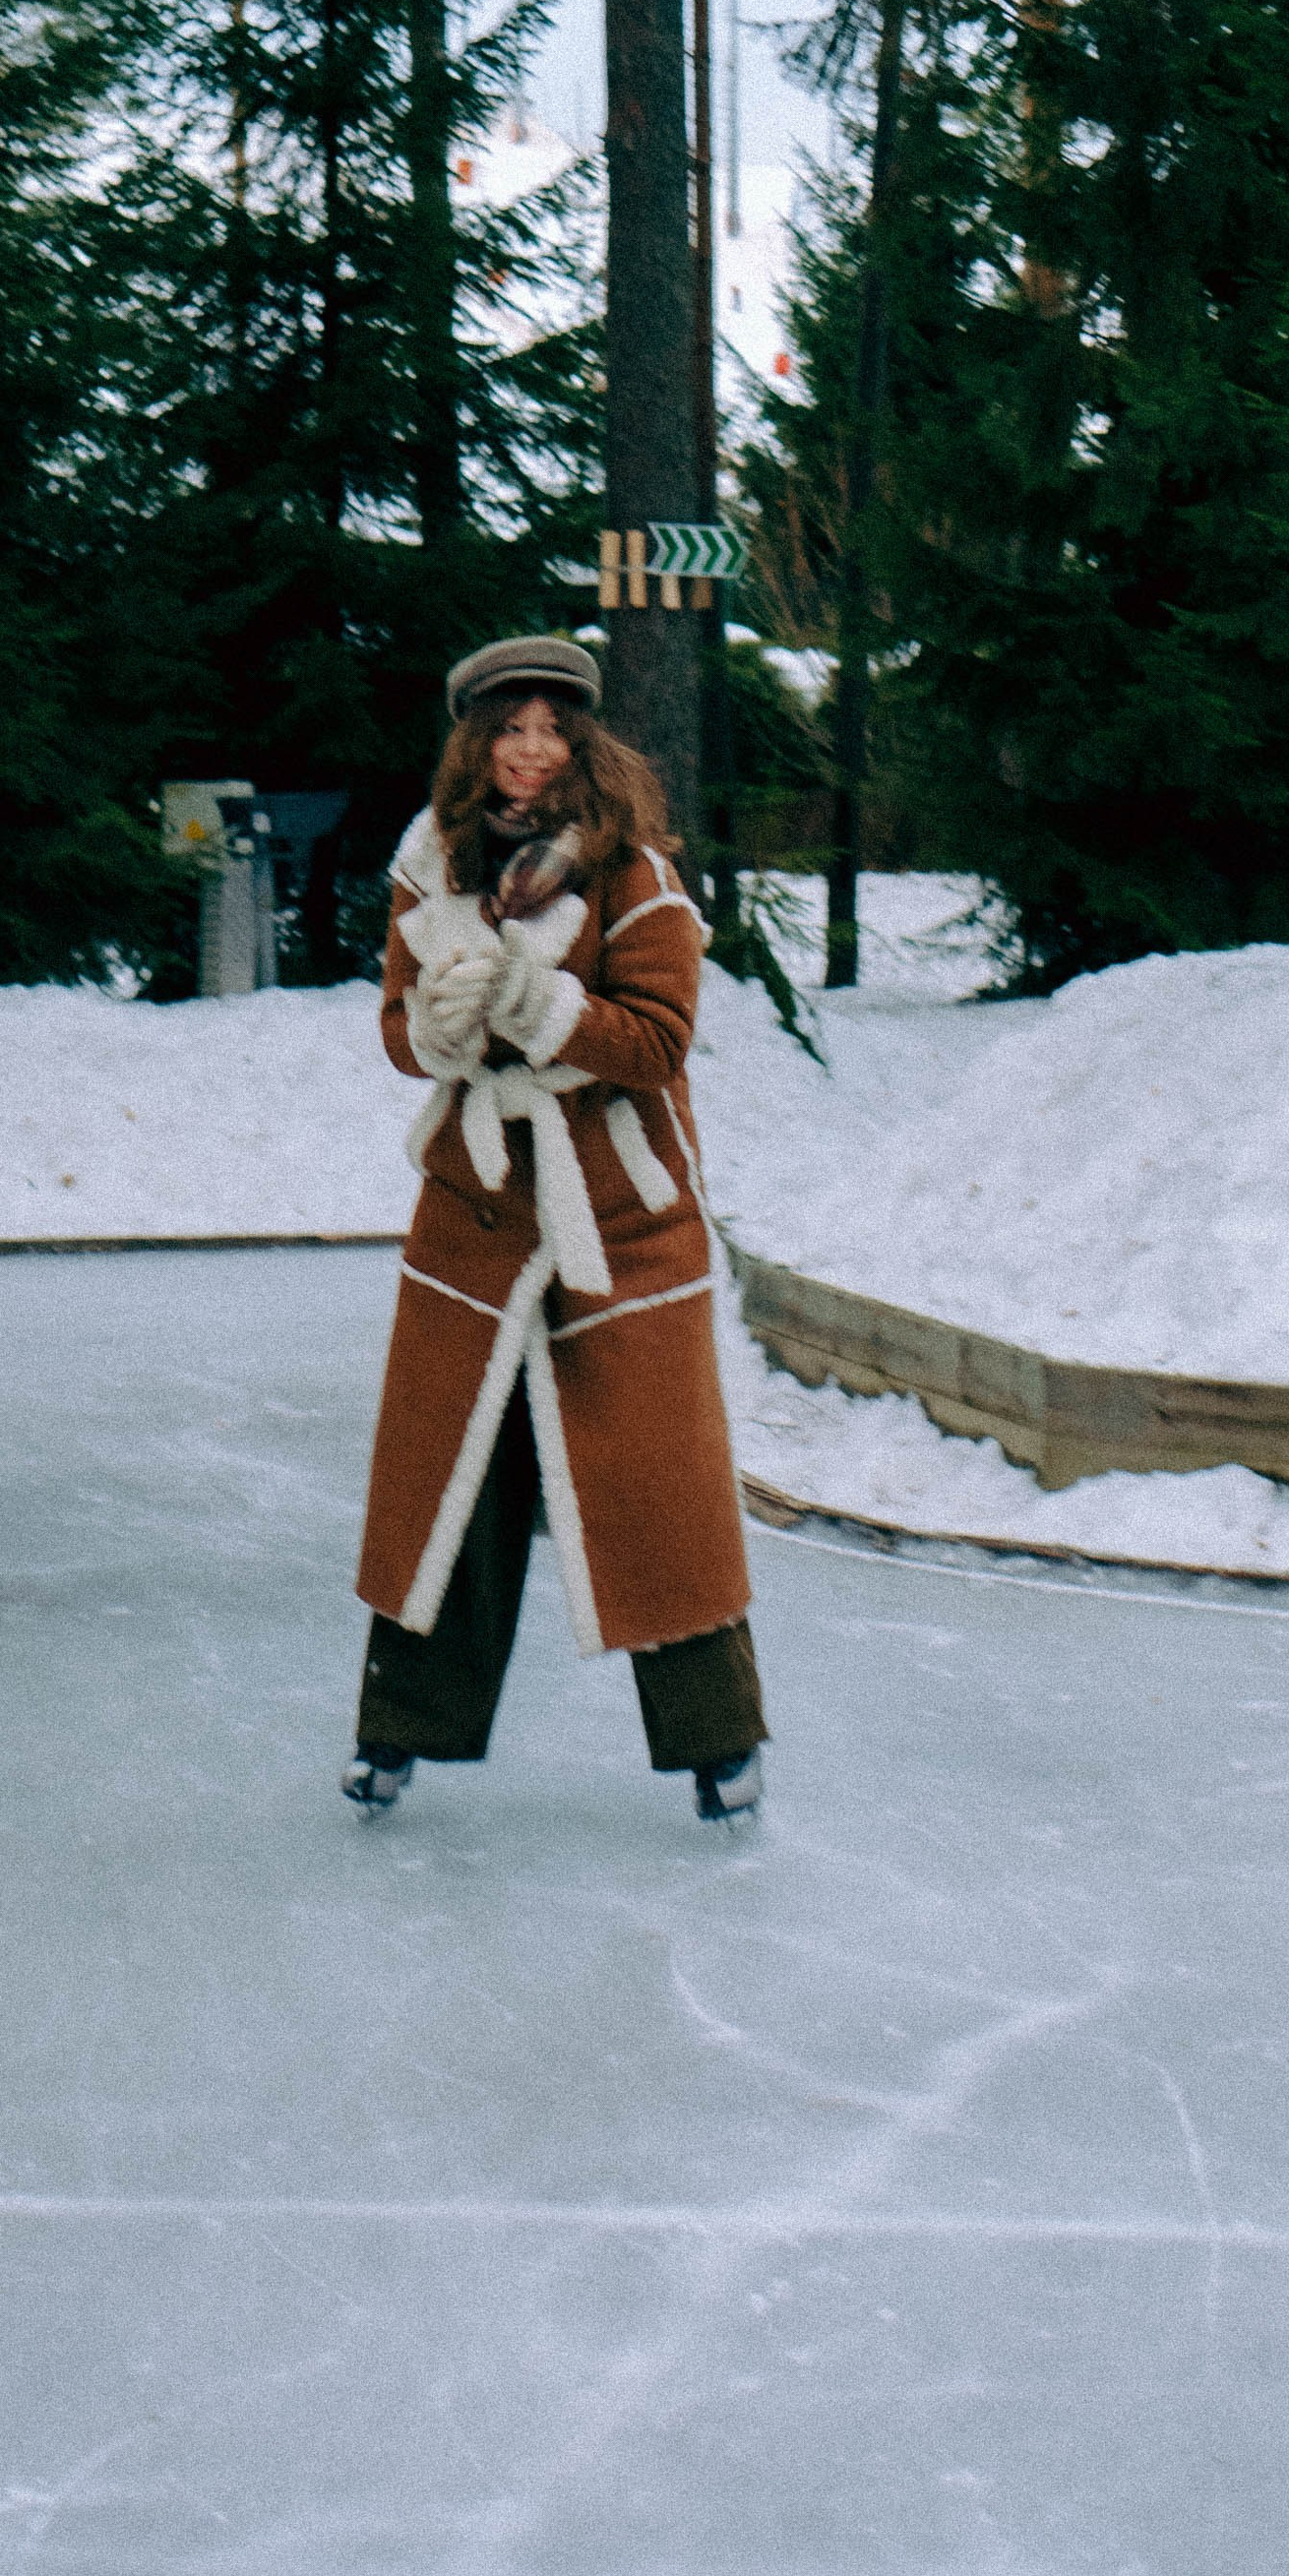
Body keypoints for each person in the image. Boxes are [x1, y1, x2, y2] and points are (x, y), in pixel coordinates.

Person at [342, 633, 767, 1824]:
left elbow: (658, 1042)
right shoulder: (431, 868)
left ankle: (720, 1746)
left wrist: (541, 1005)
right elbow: (395, 1027)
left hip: (619, 1221)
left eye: (551, 729)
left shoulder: (634, 872)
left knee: (655, 1496)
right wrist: (437, 1027)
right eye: (508, 729)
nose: (530, 752)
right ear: (473, 743)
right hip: (474, 1216)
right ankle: (395, 1738)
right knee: (449, 1486)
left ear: (581, 742)